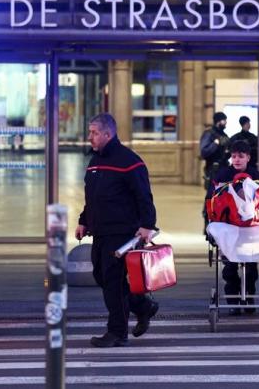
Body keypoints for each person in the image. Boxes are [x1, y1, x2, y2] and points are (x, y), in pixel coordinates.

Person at [76, 113, 159, 348]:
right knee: (102, 277)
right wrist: (84, 220)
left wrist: (147, 225)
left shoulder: (129, 161)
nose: (90, 136)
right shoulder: (95, 161)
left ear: (107, 134)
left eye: (93, 132)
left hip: (122, 232)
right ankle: (144, 307)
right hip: (100, 230)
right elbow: (92, 198)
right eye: (90, 132)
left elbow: (144, 196)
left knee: (113, 281)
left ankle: (117, 332)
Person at [206, 140, 259, 315]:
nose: (237, 159)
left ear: (248, 157)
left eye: (241, 156)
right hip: (227, 229)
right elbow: (210, 202)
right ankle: (232, 299)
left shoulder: (255, 175)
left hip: (250, 230)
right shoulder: (222, 175)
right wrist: (209, 227)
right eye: (234, 156)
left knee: (251, 266)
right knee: (230, 266)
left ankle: (249, 296)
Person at [200, 112, 231, 190]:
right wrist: (216, 143)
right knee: (212, 197)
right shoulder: (209, 133)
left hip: (224, 168)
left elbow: (226, 153)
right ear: (218, 121)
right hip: (213, 169)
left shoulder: (224, 135)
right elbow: (204, 152)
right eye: (224, 120)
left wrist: (229, 151)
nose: (226, 122)